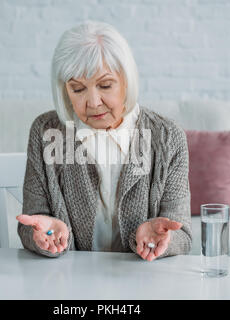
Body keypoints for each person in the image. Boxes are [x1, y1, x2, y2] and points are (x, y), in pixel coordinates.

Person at [16, 20, 191, 262]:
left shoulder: (168, 137)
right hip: (68, 282)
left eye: (105, 85)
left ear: (126, 80)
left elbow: (183, 234)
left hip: (143, 280)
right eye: (78, 89)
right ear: (64, 90)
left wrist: (164, 239)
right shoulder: (45, 132)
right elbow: (30, 224)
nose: (94, 102)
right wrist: (45, 234)